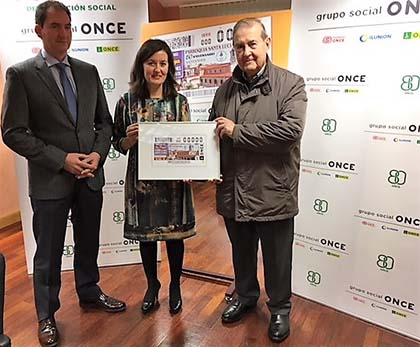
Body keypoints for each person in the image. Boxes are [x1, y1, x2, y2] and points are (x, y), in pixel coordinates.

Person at [1, 1, 126, 346]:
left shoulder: (88, 71)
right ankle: (46, 315)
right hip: (50, 181)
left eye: (68, 26)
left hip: (90, 176)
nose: (63, 34)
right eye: (55, 26)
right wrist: (62, 159)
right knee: (49, 253)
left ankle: (89, 291)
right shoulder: (22, 74)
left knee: (88, 244)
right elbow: (13, 132)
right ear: (39, 30)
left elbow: (104, 122)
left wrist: (98, 154)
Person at [209, 18, 307, 343]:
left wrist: (239, 132)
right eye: (239, 46)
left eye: (252, 44)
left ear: (267, 43)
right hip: (234, 191)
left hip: (273, 192)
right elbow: (211, 137)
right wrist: (203, 165)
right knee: (241, 253)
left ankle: (279, 308)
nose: (246, 52)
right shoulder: (224, 91)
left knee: (278, 258)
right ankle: (246, 296)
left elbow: (290, 132)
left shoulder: (291, 84)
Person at [112, 39, 196, 316]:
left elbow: (189, 144)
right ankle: (152, 285)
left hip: (173, 185)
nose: (157, 69)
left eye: (162, 63)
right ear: (141, 66)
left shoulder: (180, 102)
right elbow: (117, 144)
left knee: (174, 238)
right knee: (146, 238)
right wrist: (130, 139)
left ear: (169, 67)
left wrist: (191, 169)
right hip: (141, 183)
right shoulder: (126, 102)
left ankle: (175, 286)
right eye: (151, 63)